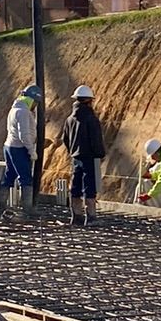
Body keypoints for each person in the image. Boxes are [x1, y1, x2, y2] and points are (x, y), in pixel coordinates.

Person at [62, 84, 105, 226]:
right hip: (89, 158)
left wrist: (72, 151)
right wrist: (100, 153)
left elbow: (65, 139)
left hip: (76, 158)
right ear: (89, 101)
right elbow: (96, 139)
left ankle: (76, 216)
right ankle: (91, 217)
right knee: (89, 187)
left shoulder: (69, 119)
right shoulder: (91, 119)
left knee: (75, 186)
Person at [0, 82, 41, 210]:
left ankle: (1, 208)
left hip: (9, 146)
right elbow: (24, 135)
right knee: (25, 178)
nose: (36, 106)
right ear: (31, 99)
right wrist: (31, 150)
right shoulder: (23, 112)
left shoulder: (14, 109)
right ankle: (27, 210)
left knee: (9, 175)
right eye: (36, 102)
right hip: (19, 148)